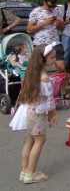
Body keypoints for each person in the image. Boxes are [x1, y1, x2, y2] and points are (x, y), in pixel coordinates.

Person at [9, 43, 57, 184]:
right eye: (52, 57)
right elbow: (49, 99)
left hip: (29, 111)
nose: (54, 60)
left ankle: (24, 171)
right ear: (42, 60)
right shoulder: (43, 77)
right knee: (40, 140)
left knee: (30, 140)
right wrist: (53, 113)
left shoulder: (33, 73)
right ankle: (31, 173)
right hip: (37, 113)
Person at [27, 0, 70, 100]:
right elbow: (29, 29)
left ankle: (62, 92)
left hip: (55, 42)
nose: (51, 8)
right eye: (49, 6)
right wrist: (44, 23)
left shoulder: (57, 10)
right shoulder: (36, 12)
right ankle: (41, 93)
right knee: (40, 69)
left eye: (53, 6)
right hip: (40, 43)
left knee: (61, 67)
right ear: (44, 2)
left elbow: (62, 29)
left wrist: (58, 22)